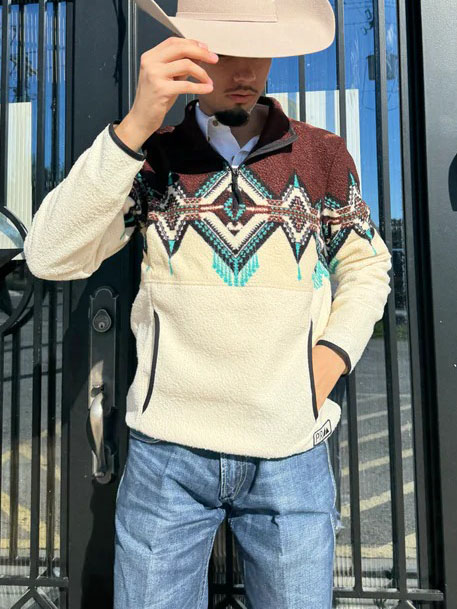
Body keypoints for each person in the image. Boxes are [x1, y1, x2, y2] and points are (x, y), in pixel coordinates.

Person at [23, 0, 392, 606]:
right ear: (190, 50)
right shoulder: (153, 157)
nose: (244, 69)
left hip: (290, 449)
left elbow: (367, 265)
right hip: (166, 455)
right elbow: (49, 255)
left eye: (259, 49)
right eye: (224, 50)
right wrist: (133, 128)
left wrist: (327, 362)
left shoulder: (323, 156)